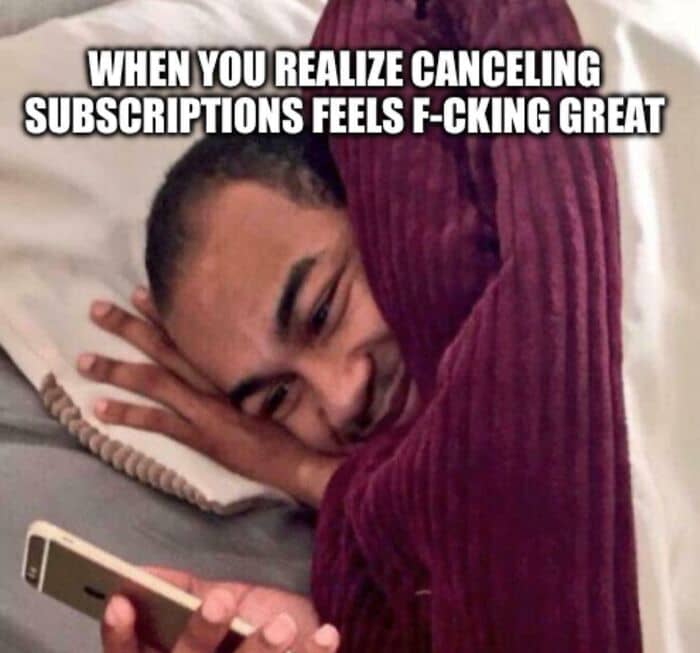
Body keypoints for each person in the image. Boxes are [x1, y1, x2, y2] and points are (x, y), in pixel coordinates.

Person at [80, 0, 642, 651]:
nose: (343, 396)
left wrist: (309, 472)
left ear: (377, 205)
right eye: (278, 397)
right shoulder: (366, 561)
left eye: (322, 311)